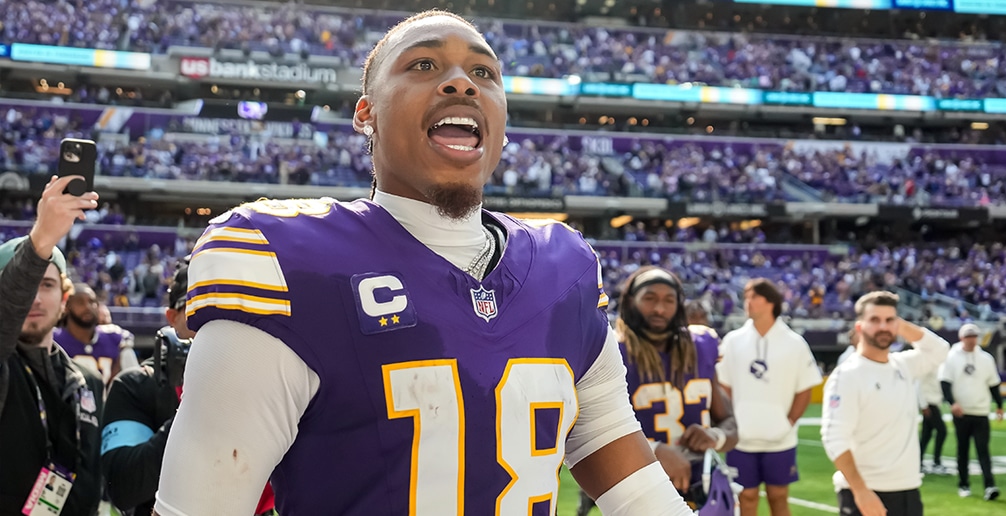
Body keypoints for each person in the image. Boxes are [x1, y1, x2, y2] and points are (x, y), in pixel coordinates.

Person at [154, 10, 692, 516]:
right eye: (423, 65)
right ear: (366, 112)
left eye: (484, 71)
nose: (462, 83)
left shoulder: (563, 267)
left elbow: (618, 457)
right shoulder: (286, 258)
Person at [101, 258, 276, 516]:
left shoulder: (263, 381)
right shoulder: (136, 386)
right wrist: (198, 401)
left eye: (227, 306)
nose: (214, 319)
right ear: (172, 317)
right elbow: (125, 488)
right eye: (197, 306)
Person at [577, 267, 737, 515]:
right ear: (631, 302)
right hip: (636, 490)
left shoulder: (700, 347)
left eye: (668, 300)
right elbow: (581, 435)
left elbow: (730, 423)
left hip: (698, 488)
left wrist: (714, 436)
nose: (660, 309)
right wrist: (655, 452)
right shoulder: (608, 351)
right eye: (650, 298)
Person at [0, 176, 105, 516]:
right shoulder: (5, 368)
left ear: (64, 300)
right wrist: (42, 239)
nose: (32, 296)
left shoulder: (86, 382)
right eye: (24, 284)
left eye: (45, 284)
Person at [821, 291, 949, 516]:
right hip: (866, 492)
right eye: (874, 320)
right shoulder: (847, 376)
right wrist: (861, 491)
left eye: (889, 320)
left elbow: (940, 350)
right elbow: (834, 439)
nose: (883, 326)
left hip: (908, 489)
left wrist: (901, 326)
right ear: (859, 327)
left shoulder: (903, 365)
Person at [718, 278, 824, 516]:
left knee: (778, 497)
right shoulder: (733, 341)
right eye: (746, 297)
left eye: (754, 297)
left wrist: (788, 423)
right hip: (740, 438)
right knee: (745, 497)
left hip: (780, 439)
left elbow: (804, 389)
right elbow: (724, 386)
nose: (748, 302)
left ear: (770, 302)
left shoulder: (795, 343)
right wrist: (731, 421)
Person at [938, 323, 1003, 501]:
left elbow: (993, 383)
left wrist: (999, 405)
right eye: (968, 336)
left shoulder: (985, 358)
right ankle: (964, 483)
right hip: (962, 411)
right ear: (961, 338)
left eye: (974, 336)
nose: (972, 339)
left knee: (983, 449)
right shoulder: (951, 357)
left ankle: (990, 485)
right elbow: (945, 382)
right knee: (963, 449)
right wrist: (952, 403)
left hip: (981, 410)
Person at [54, 283, 138, 384]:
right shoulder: (54, 340)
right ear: (66, 306)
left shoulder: (115, 338)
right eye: (80, 302)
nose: (88, 307)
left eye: (92, 302)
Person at [916, 352, 947, 477]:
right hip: (929, 403)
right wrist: (923, 405)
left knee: (926, 435)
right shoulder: (927, 366)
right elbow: (918, 385)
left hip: (933, 402)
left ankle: (918, 461)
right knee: (942, 431)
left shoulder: (938, 366)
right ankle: (936, 461)